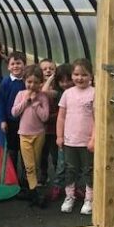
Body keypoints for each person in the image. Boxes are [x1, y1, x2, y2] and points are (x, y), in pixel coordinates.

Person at [56, 58, 95, 215]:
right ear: (72, 75)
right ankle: (69, 197)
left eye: (84, 75)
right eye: (76, 74)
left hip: (87, 142)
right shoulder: (67, 93)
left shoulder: (95, 93)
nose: (80, 78)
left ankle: (89, 199)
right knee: (70, 169)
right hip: (69, 141)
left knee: (88, 170)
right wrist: (59, 136)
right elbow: (61, 117)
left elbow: (98, 118)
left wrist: (93, 138)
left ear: (91, 75)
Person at [11, 64, 50, 207]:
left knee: (35, 163)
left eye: (35, 82)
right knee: (29, 165)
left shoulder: (42, 97)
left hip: (38, 134)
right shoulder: (20, 94)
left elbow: (45, 117)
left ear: (40, 83)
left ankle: (33, 190)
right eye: (29, 82)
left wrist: (35, 103)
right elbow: (14, 112)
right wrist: (25, 101)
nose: (32, 85)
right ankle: (34, 191)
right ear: (25, 81)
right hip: (24, 134)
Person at [46, 63, 74, 201]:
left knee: (76, 164)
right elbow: (44, 91)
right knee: (62, 163)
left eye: (68, 80)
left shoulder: (81, 92)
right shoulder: (60, 94)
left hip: (78, 133)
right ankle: (57, 186)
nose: (65, 84)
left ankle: (72, 188)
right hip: (65, 133)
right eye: (61, 81)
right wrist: (52, 77)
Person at [0, 51, 27, 181]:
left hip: (26, 122)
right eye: (13, 64)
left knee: (25, 150)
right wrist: (3, 120)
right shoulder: (5, 82)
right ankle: (13, 176)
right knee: (12, 150)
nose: (16, 66)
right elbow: (2, 102)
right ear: (8, 67)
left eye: (19, 63)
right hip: (11, 121)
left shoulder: (27, 82)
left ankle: (26, 178)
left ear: (24, 65)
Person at [38, 58, 57, 186]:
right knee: (41, 155)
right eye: (44, 69)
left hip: (55, 128)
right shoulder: (37, 86)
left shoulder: (58, 87)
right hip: (41, 128)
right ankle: (43, 177)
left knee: (56, 156)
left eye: (51, 68)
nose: (48, 71)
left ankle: (59, 180)